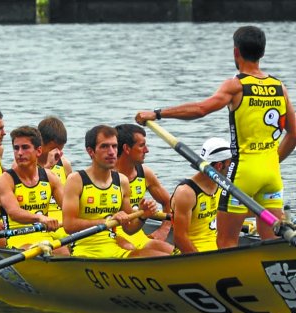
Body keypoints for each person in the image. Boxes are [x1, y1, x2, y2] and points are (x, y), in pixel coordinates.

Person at [135, 25, 296, 247]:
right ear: (262, 52)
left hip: (243, 174)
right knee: (271, 242)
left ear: (236, 52)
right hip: (272, 175)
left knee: (226, 242)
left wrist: (157, 113)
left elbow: (201, 109)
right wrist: (272, 161)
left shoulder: (236, 85)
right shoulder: (280, 87)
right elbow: (293, 134)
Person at [62, 125, 173, 258]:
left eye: (114, 146)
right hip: (86, 251)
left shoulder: (122, 181)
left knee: (171, 253)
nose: (111, 152)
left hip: (113, 246)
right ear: (91, 151)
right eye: (104, 146)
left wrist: (143, 216)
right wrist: (107, 220)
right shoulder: (76, 180)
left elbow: (129, 228)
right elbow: (69, 225)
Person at [0, 126, 68, 254]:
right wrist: (40, 218)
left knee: (64, 251)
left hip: (44, 236)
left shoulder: (50, 177)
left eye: (25, 147)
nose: (19, 153)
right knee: (40, 250)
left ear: (39, 151)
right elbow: (14, 213)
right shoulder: (5, 180)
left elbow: (68, 208)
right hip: (17, 238)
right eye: (16, 148)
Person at [114, 124, 172, 248]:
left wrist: (164, 230)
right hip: (111, 234)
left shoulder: (144, 173)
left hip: (136, 232)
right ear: (126, 149)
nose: (147, 150)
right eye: (141, 145)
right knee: (131, 249)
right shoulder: (107, 176)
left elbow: (168, 202)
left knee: (171, 250)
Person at [171, 138, 232, 253]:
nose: (232, 167)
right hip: (192, 255)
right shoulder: (186, 193)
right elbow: (180, 238)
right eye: (230, 163)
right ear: (219, 166)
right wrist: (202, 263)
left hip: (216, 248)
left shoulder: (223, 185)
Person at [37, 116, 72, 239]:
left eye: (60, 149)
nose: (57, 153)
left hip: (63, 220)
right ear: (40, 144)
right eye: (53, 148)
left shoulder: (65, 165)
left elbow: (70, 201)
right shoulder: (25, 164)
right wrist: (48, 166)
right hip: (41, 221)